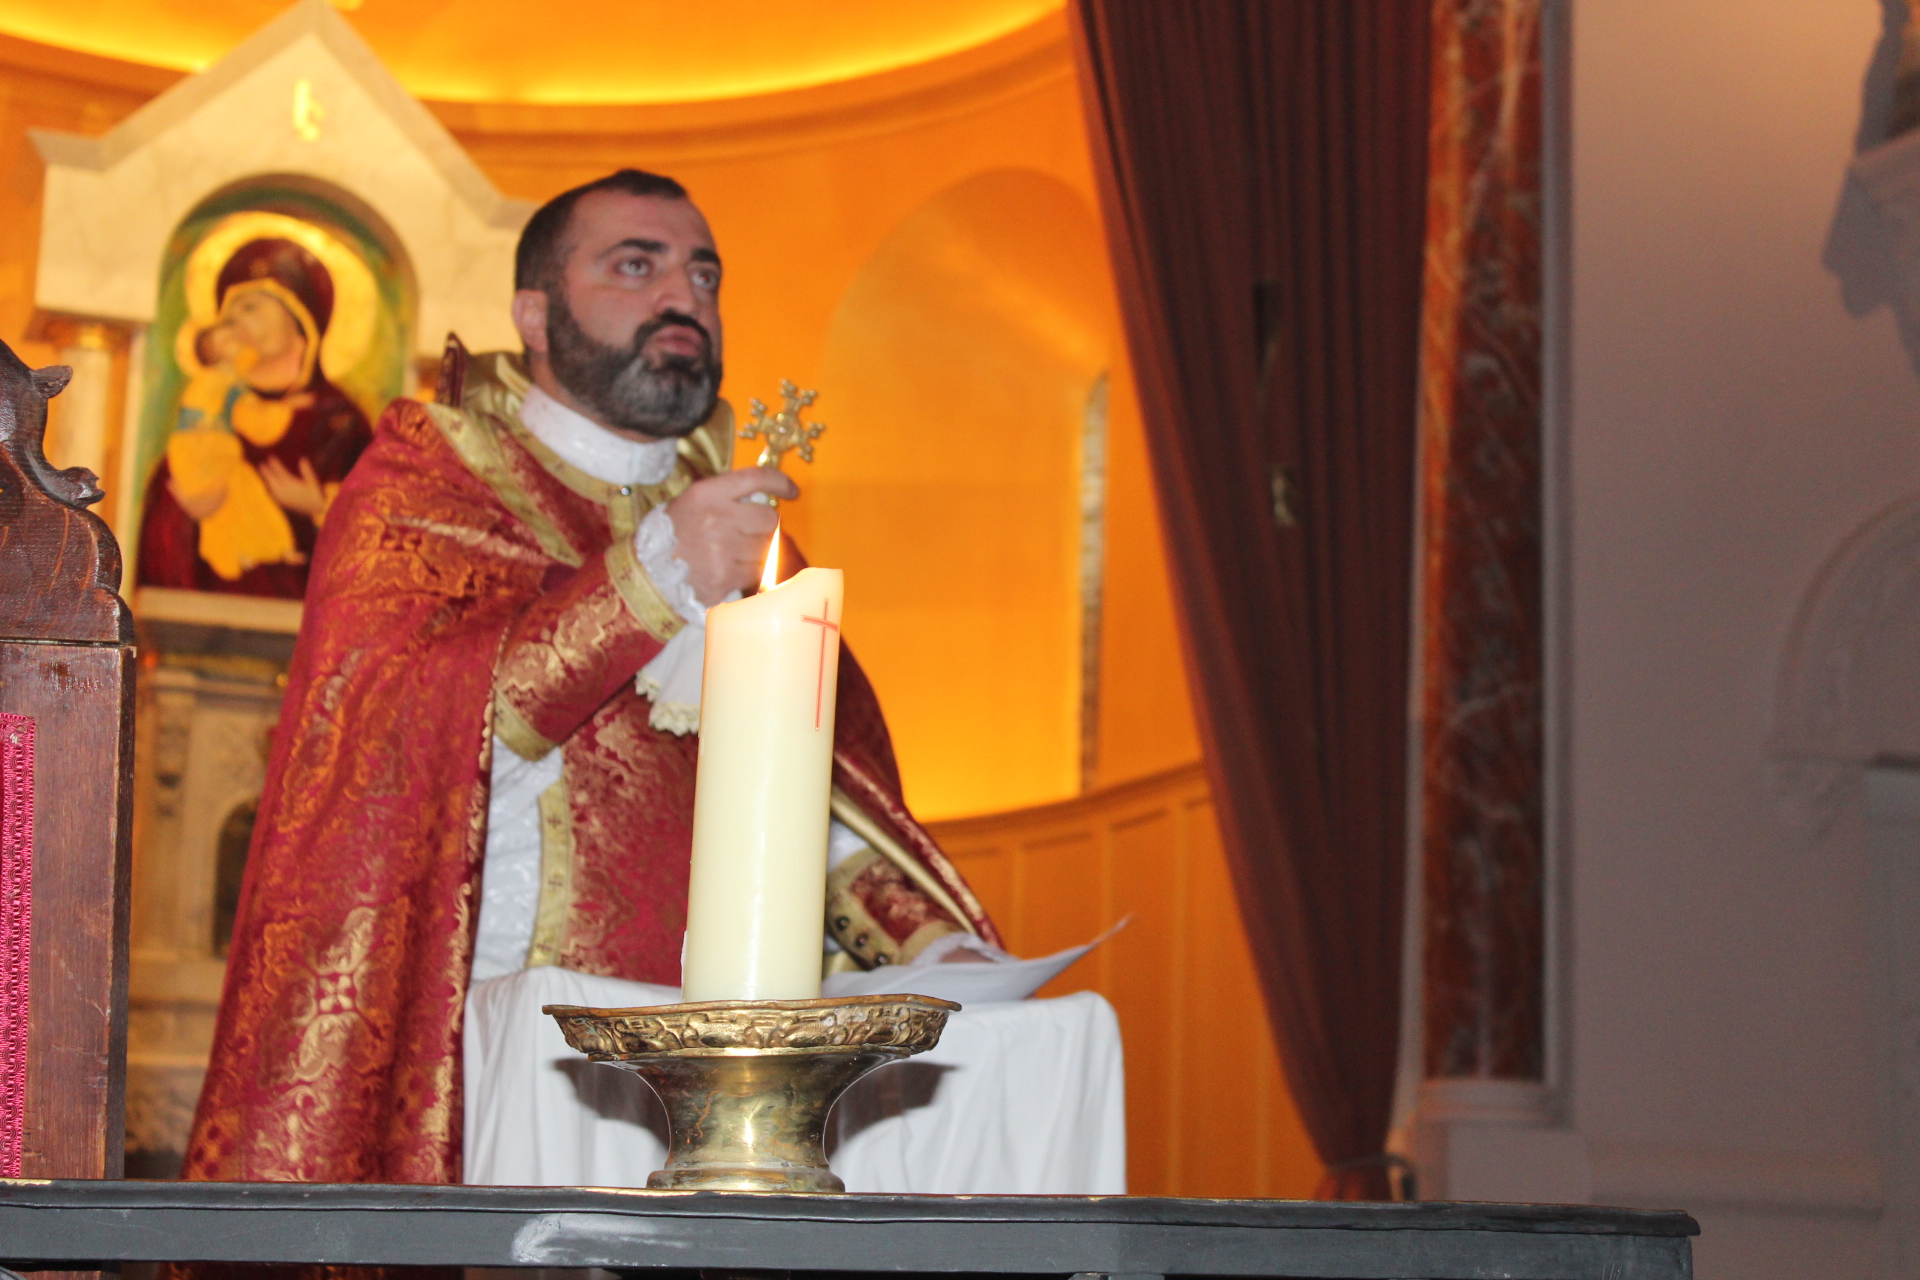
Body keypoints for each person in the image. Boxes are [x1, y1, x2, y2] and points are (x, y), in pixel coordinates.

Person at [180, 170, 1001, 1184]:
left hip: (737, 1078)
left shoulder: (750, 541)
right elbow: (417, 745)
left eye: (704, 274)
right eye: (635, 265)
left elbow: (824, 805)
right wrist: (655, 574)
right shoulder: (428, 478)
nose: (684, 296)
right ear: (534, 314)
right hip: (512, 1056)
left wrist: (932, 945)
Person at [137, 237, 374, 599]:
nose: (236, 323)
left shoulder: (340, 423)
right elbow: (163, 527)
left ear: (300, 316)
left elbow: (380, 532)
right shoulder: (211, 412)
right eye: (228, 317)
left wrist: (321, 507)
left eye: (251, 307)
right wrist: (185, 510)